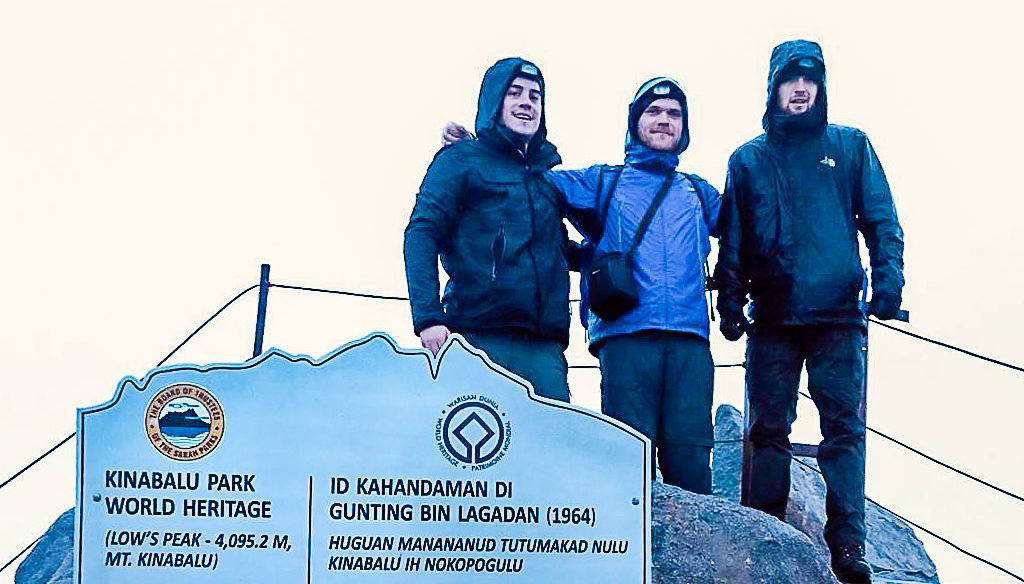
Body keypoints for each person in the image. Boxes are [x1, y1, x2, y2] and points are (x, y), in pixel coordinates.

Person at [444, 77, 721, 493]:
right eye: (654, 112)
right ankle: (624, 558)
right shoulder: (603, 181)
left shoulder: (700, 192)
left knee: (693, 463)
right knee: (629, 464)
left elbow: (749, 231)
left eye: (674, 114)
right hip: (625, 337)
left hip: (691, 341)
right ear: (635, 123)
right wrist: (476, 149)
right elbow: (530, 184)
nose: (664, 121)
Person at [714, 40, 905, 583]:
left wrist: (889, 282)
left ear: (821, 87)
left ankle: (848, 546)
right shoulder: (748, 159)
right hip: (772, 317)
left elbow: (881, 220)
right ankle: (763, 534)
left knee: (843, 432)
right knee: (767, 430)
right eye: (789, 79)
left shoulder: (849, 147)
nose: (800, 89)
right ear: (772, 87)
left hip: (839, 317)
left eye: (810, 80)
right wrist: (730, 301)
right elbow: (734, 239)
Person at [403, 57, 571, 403]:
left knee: (551, 452)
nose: (527, 102)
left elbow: (560, 249)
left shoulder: (547, 178)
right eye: (515, 93)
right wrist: (428, 318)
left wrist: (617, 256)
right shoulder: (460, 160)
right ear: (494, 101)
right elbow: (421, 233)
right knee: (476, 451)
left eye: (535, 96)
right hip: (478, 337)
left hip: (544, 348)